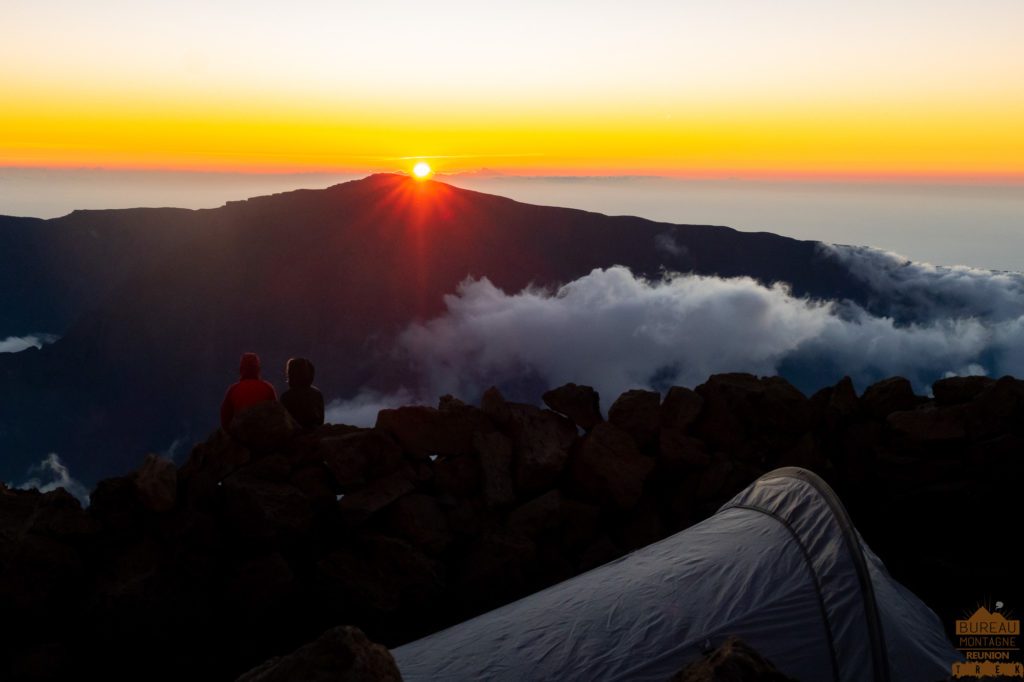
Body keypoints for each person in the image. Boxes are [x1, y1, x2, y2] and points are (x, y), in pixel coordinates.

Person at [220, 352, 277, 430]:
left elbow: (225, 419)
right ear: (258, 369)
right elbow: (276, 416)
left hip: (239, 436)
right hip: (263, 436)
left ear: (241, 370)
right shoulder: (268, 388)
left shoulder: (233, 390)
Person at [280, 357, 324, 431]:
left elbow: (284, 422)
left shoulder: (286, 397)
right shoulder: (317, 394)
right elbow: (321, 421)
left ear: (290, 374)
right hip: (315, 434)